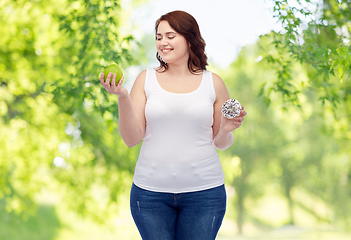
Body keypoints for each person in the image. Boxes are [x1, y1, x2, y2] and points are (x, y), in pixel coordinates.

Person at [100, 10, 247, 240]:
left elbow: (221, 143)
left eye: (170, 36)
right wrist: (122, 96)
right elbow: (131, 139)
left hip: (205, 194)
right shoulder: (145, 79)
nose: (162, 42)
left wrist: (227, 129)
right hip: (149, 195)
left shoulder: (213, 83)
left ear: (190, 39)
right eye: (159, 37)